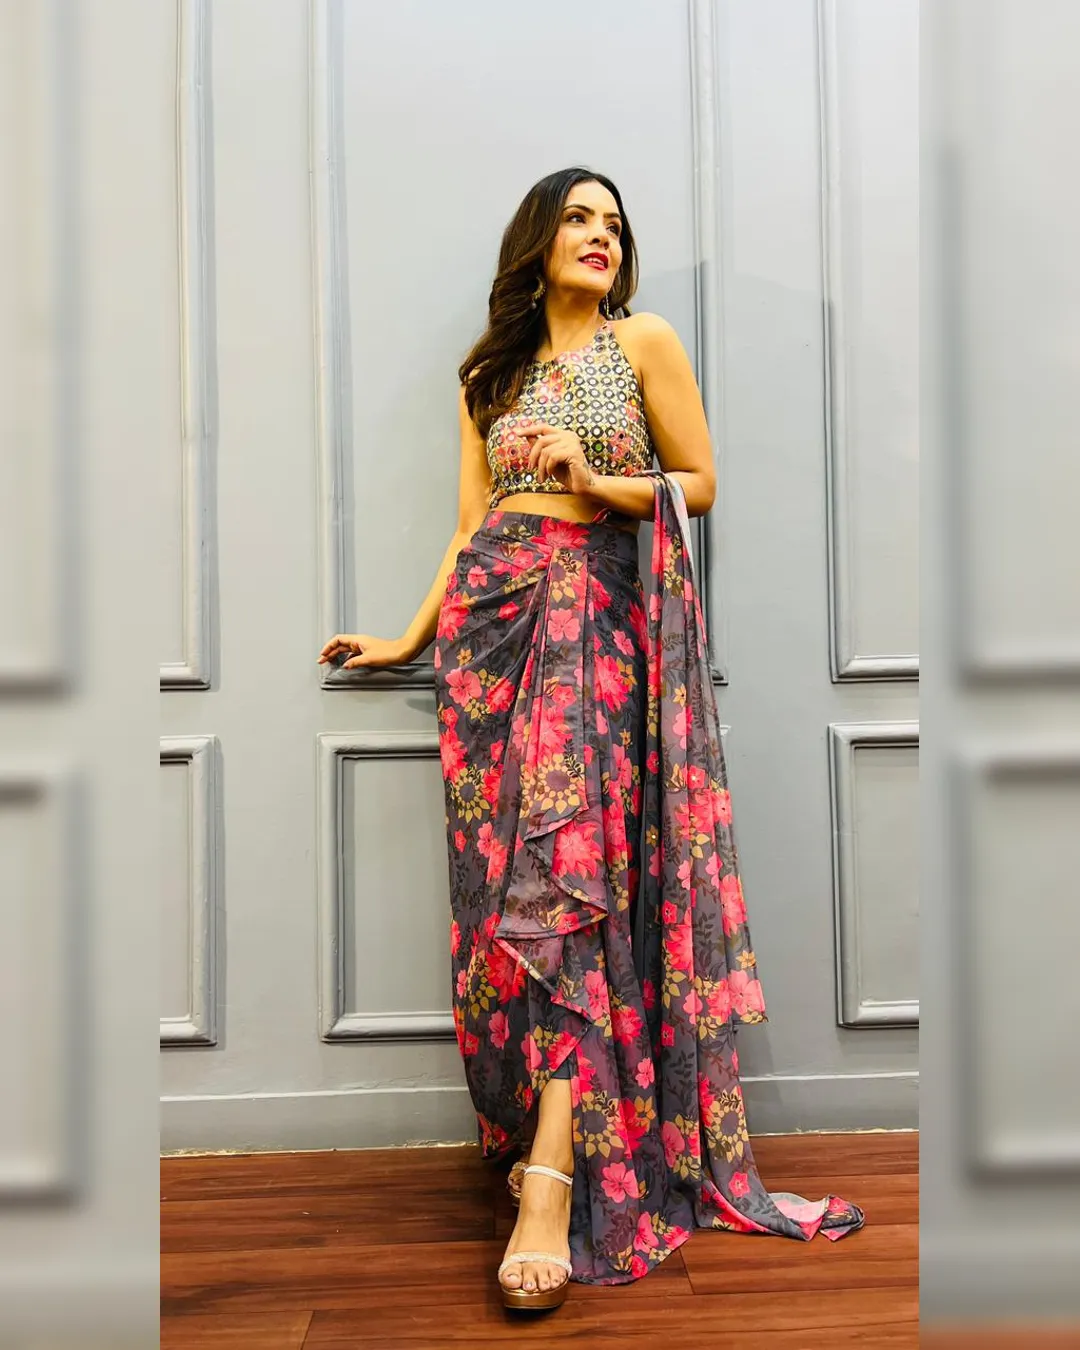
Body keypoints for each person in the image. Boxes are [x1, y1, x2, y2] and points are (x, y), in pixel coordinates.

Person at [318, 166, 864, 1314]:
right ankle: (533, 1132)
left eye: (614, 222)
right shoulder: (489, 377)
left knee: (569, 881)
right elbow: (469, 525)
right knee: (503, 896)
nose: (600, 235)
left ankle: (554, 1180)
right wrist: (404, 638)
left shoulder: (642, 342)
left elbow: (699, 484)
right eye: (578, 217)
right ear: (538, 237)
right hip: (490, 629)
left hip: (594, 621)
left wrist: (599, 476)